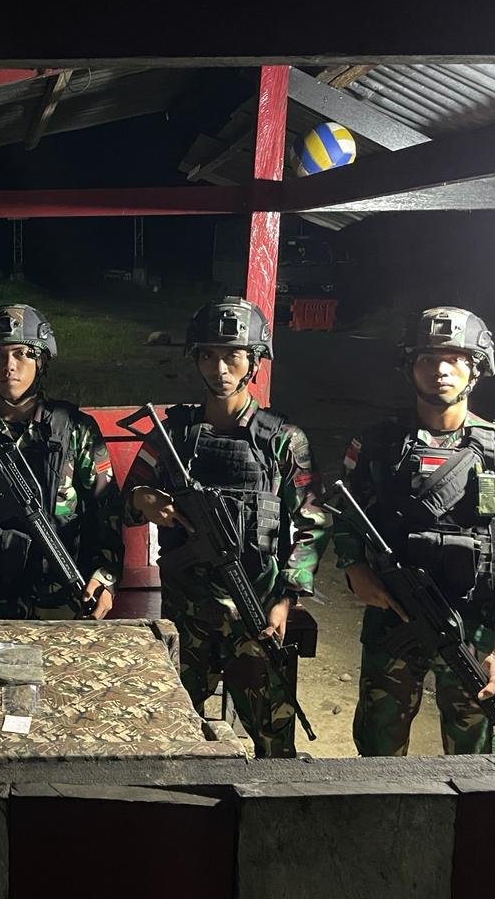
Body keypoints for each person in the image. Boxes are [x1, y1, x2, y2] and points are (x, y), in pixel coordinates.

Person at [122, 296, 328, 758]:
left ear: (254, 361)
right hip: (187, 610)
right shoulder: (173, 435)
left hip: (257, 610)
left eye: (233, 355)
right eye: (208, 356)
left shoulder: (283, 440)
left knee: (273, 742)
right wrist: (142, 499)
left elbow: (313, 519)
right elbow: (127, 499)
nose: (220, 368)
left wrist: (288, 596)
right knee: (174, 736)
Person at [336, 306, 495, 756]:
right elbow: (344, 512)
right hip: (394, 618)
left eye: (455, 359)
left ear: (477, 368)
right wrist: (355, 568)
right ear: (409, 366)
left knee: (477, 759)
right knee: (377, 751)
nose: (441, 370)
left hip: (475, 629)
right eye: (427, 359)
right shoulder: (375, 445)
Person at [0, 303, 122, 619]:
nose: (9, 366)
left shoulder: (74, 427)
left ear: (40, 361)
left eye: (21, 354)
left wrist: (106, 575)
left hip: (59, 598)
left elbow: (107, 509)